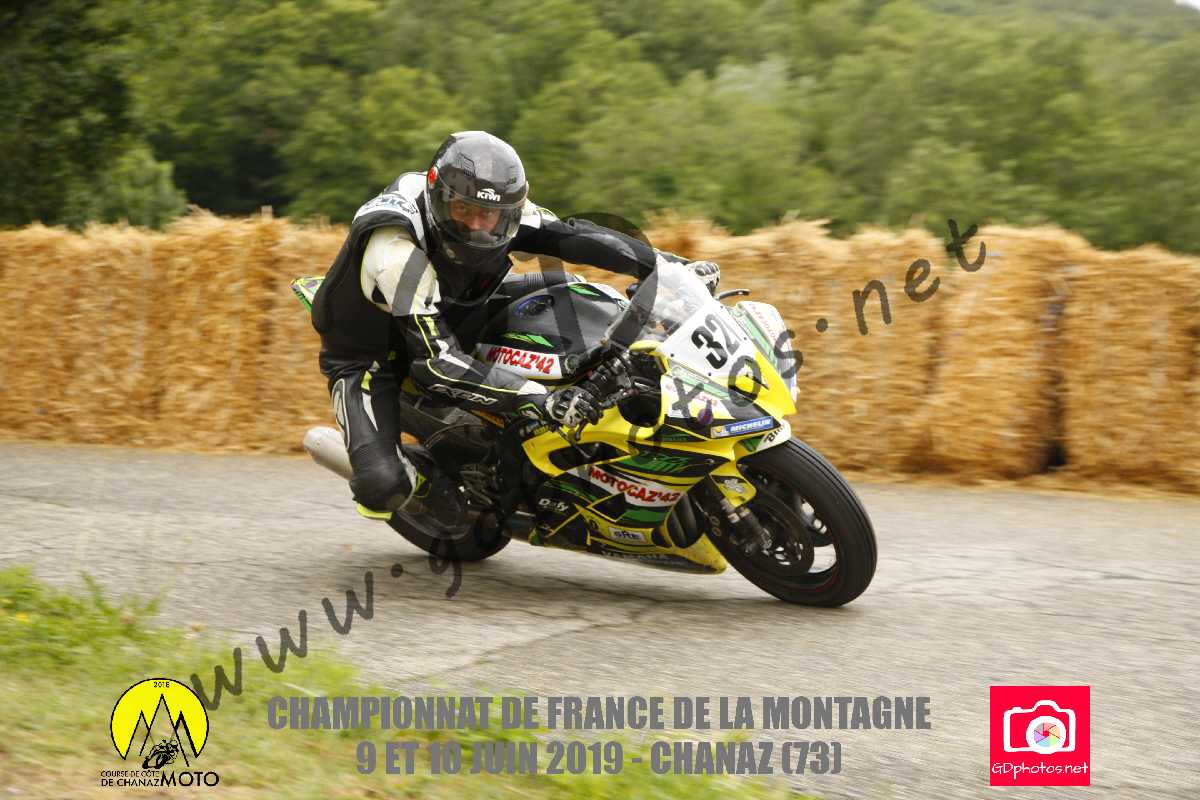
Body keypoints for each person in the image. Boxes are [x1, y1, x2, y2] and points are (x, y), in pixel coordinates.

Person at [311, 131, 720, 522]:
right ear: (439, 199)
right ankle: (420, 482)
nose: (476, 226)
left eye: (488, 215)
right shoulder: (396, 250)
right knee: (383, 488)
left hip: (464, 309)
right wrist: (537, 398)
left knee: (575, 295)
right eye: (463, 211)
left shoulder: (504, 211)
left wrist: (668, 268)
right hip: (376, 354)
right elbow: (434, 363)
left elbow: (574, 237)